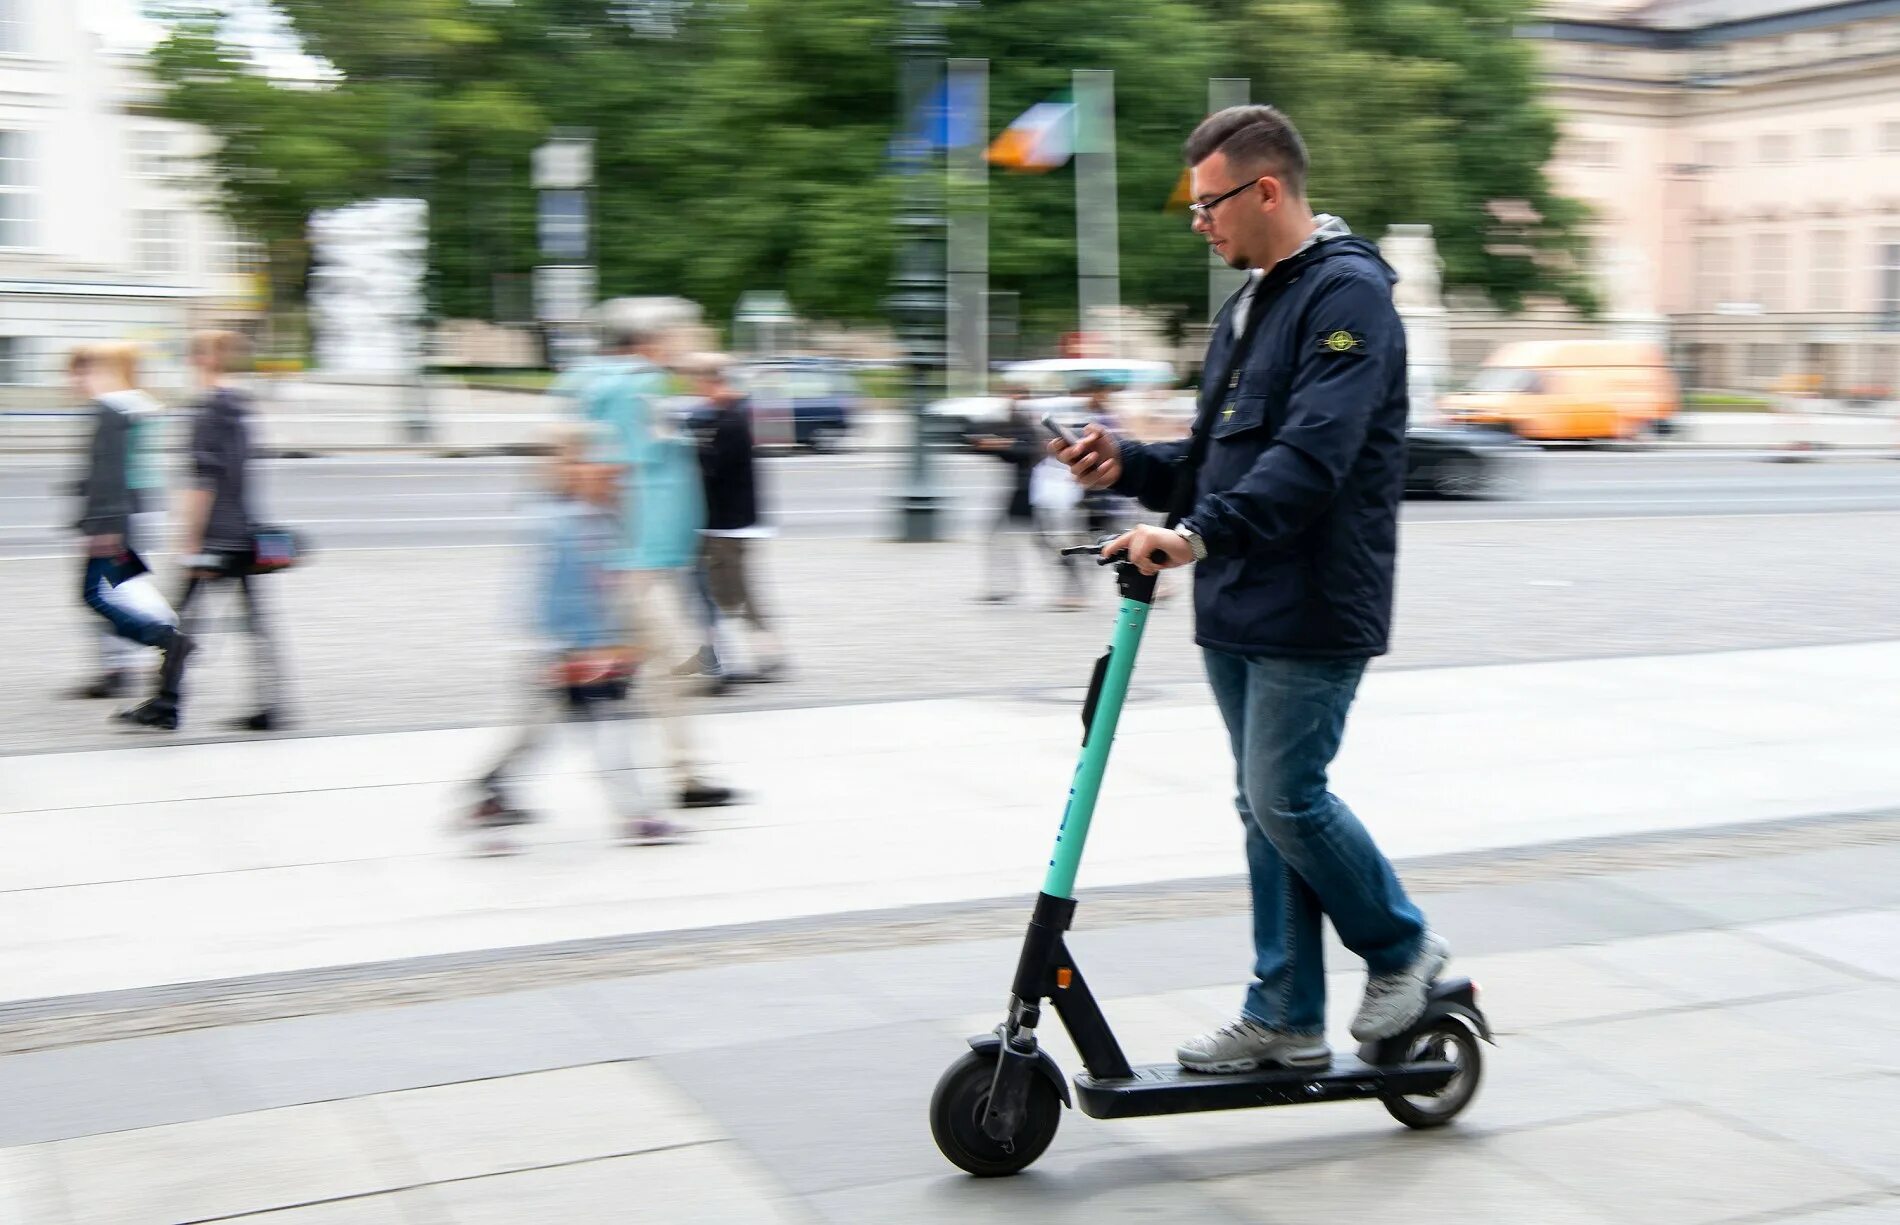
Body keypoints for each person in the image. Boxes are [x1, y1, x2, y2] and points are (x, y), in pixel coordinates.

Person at [1053, 105, 1447, 1072]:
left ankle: (1404, 949)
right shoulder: (1251, 303)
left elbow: (1312, 458)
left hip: (1313, 596)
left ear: (1266, 189)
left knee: (1288, 796)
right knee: (1262, 805)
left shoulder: (1349, 298)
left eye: (1208, 205)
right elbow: (1224, 455)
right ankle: (1285, 1013)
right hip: (1237, 594)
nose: (1200, 224)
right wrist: (1130, 465)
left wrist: (1191, 537)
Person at [466, 423, 678, 848]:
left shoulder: (595, 514)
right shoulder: (559, 523)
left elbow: (613, 582)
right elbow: (548, 595)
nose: (614, 474)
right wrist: (581, 650)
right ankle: (636, 815)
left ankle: (494, 791)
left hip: (581, 644)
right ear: (571, 466)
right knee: (602, 729)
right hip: (566, 647)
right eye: (599, 465)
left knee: (544, 730)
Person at [560, 298, 736, 810]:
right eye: (687, 332)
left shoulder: (633, 385)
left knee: (666, 667)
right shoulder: (635, 387)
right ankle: (684, 776)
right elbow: (612, 471)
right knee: (677, 664)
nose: (695, 340)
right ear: (652, 341)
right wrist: (626, 556)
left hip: (645, 561)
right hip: (636, 564)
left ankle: (687, 776)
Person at [118, 330, 284, 732]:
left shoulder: (208, 410)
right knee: (256, 623)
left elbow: (204, 479)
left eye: (193, 356)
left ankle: (166, 703)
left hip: (214, 536)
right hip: (245, 532)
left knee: (182, 622)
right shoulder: (244, 407)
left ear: (205, 361)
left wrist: (190, 538)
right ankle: (272, 704)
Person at [71, 345, 193, 713]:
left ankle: (165, 639)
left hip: (125, 515)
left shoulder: (116, 408)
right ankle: (126, 663)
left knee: (111, 591)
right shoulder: (141, 405)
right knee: (122, 588)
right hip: (140, 509)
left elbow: (110, 471)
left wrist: (101, 522)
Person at [685, 353, 787, 680]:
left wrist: (688, 451)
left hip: (726, 524)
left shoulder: (731, 419)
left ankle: (762, 655)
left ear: (709, 380)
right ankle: (764, 654)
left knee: (733, 595)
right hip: (730, 521)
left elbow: (712, 470)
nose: (694, 388)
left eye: (696, 381)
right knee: (738, 592)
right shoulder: (731, 413)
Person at [973, 381, 1084, 609]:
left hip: (1032, 491)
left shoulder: (1028, 419)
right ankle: (1005, 586)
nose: (1013, 398)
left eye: (1018, 394)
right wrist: (994, 445)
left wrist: (1001, 445)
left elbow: (1028, 450)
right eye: (1011, 394)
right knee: (1003, 538)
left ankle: (1073, 583)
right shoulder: (1012, 419)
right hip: (1021, 491)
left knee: (1044, 542)